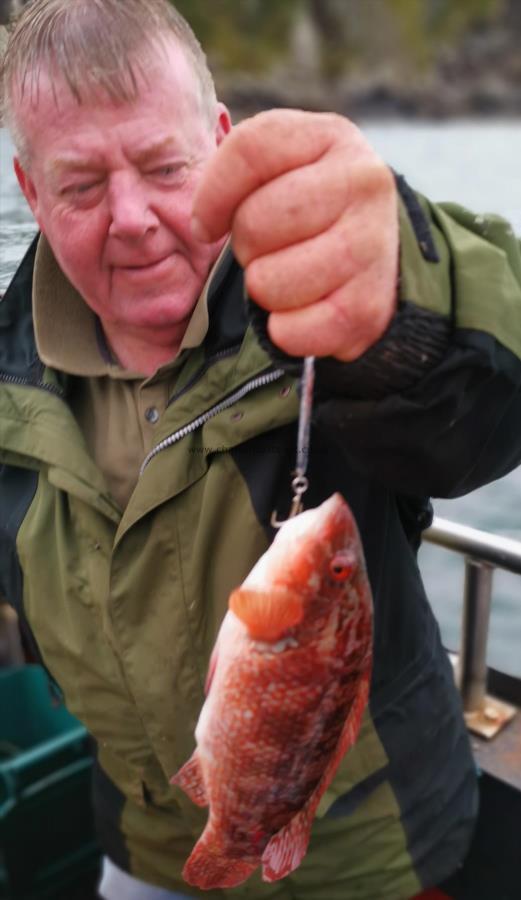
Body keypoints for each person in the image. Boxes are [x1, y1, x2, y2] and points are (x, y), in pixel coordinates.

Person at [1, 1, 521, 899]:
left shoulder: (326, 311)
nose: (130, 218)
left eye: (164, 167)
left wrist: (406, 287)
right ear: (30, 190)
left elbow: (493, 399)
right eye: (81, 186)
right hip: (142, 845)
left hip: (372, 858)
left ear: (220, 140)